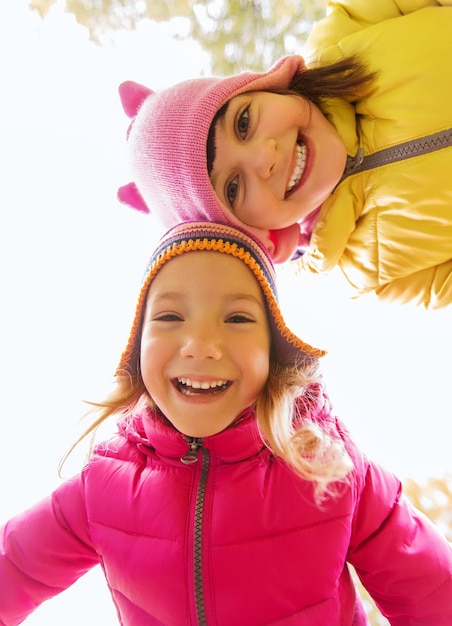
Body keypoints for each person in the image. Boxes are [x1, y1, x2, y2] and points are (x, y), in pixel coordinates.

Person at [1, 221, 452, 626]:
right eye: (170, 317)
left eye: (237, 318)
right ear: (137, 347)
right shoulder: (102, 482)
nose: (200, 344)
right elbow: (13, 571)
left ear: (274, 349)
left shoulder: (332, 468)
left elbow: (434, 596)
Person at [118, 0, 452, 309]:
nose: (265, 157)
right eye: (233, 188)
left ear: (266, 86)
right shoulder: (366, 270)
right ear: (259, 234)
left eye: (244, 122)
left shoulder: (348, 33)